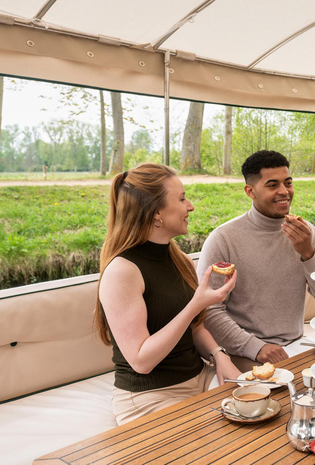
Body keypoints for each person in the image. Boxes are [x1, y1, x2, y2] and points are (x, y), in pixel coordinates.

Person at [93, 163, 241, 426]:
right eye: (182, 198)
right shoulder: (122, 271)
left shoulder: (177, 257)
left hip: (199, 378)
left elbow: (195, 329)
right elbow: (141, 361)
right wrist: (195, 305)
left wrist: (220, 356)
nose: (190, 206)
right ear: (156, 213)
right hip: (151, 395)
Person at [197, 150, 315, 371]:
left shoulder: (307, 233)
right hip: (243, 352)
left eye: (288, 183)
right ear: (250, 191)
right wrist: (256, 347)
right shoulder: (223, 238)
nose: (284, 192)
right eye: (273, 185)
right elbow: (208, 311)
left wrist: (307, 253)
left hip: (297, 345)